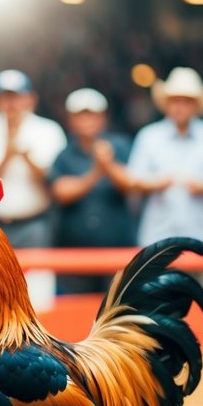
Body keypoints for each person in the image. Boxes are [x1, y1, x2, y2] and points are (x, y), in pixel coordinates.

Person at [127, 67, 203, 252]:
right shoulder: (149, 136)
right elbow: (132, 180)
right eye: (175, 100)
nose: (180, 106)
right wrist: (157, 184)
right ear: (166, 103)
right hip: (157, 239)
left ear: (196, 104)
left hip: (201, 238)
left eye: (186, 101)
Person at [0, 70, 67, 249]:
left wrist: (28, 159)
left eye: (16, 97)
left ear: (30, 99)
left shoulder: (49, 130)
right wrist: (6, 158)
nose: (11, 103)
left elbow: (56, 182)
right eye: (5, 97)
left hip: (34, 224)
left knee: (36, 278)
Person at [49, 88, 139, 294]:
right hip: (75, 261)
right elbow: (61, 193)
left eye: (92, 114)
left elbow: (129, 185)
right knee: (76, 319)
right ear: (70, 120)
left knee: (118, 318)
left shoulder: (120, 146)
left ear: (103, 118)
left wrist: (109, 166)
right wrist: (97, 172)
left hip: (118, 257)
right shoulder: (64, 154)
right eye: (82, 115)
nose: (87, 120)